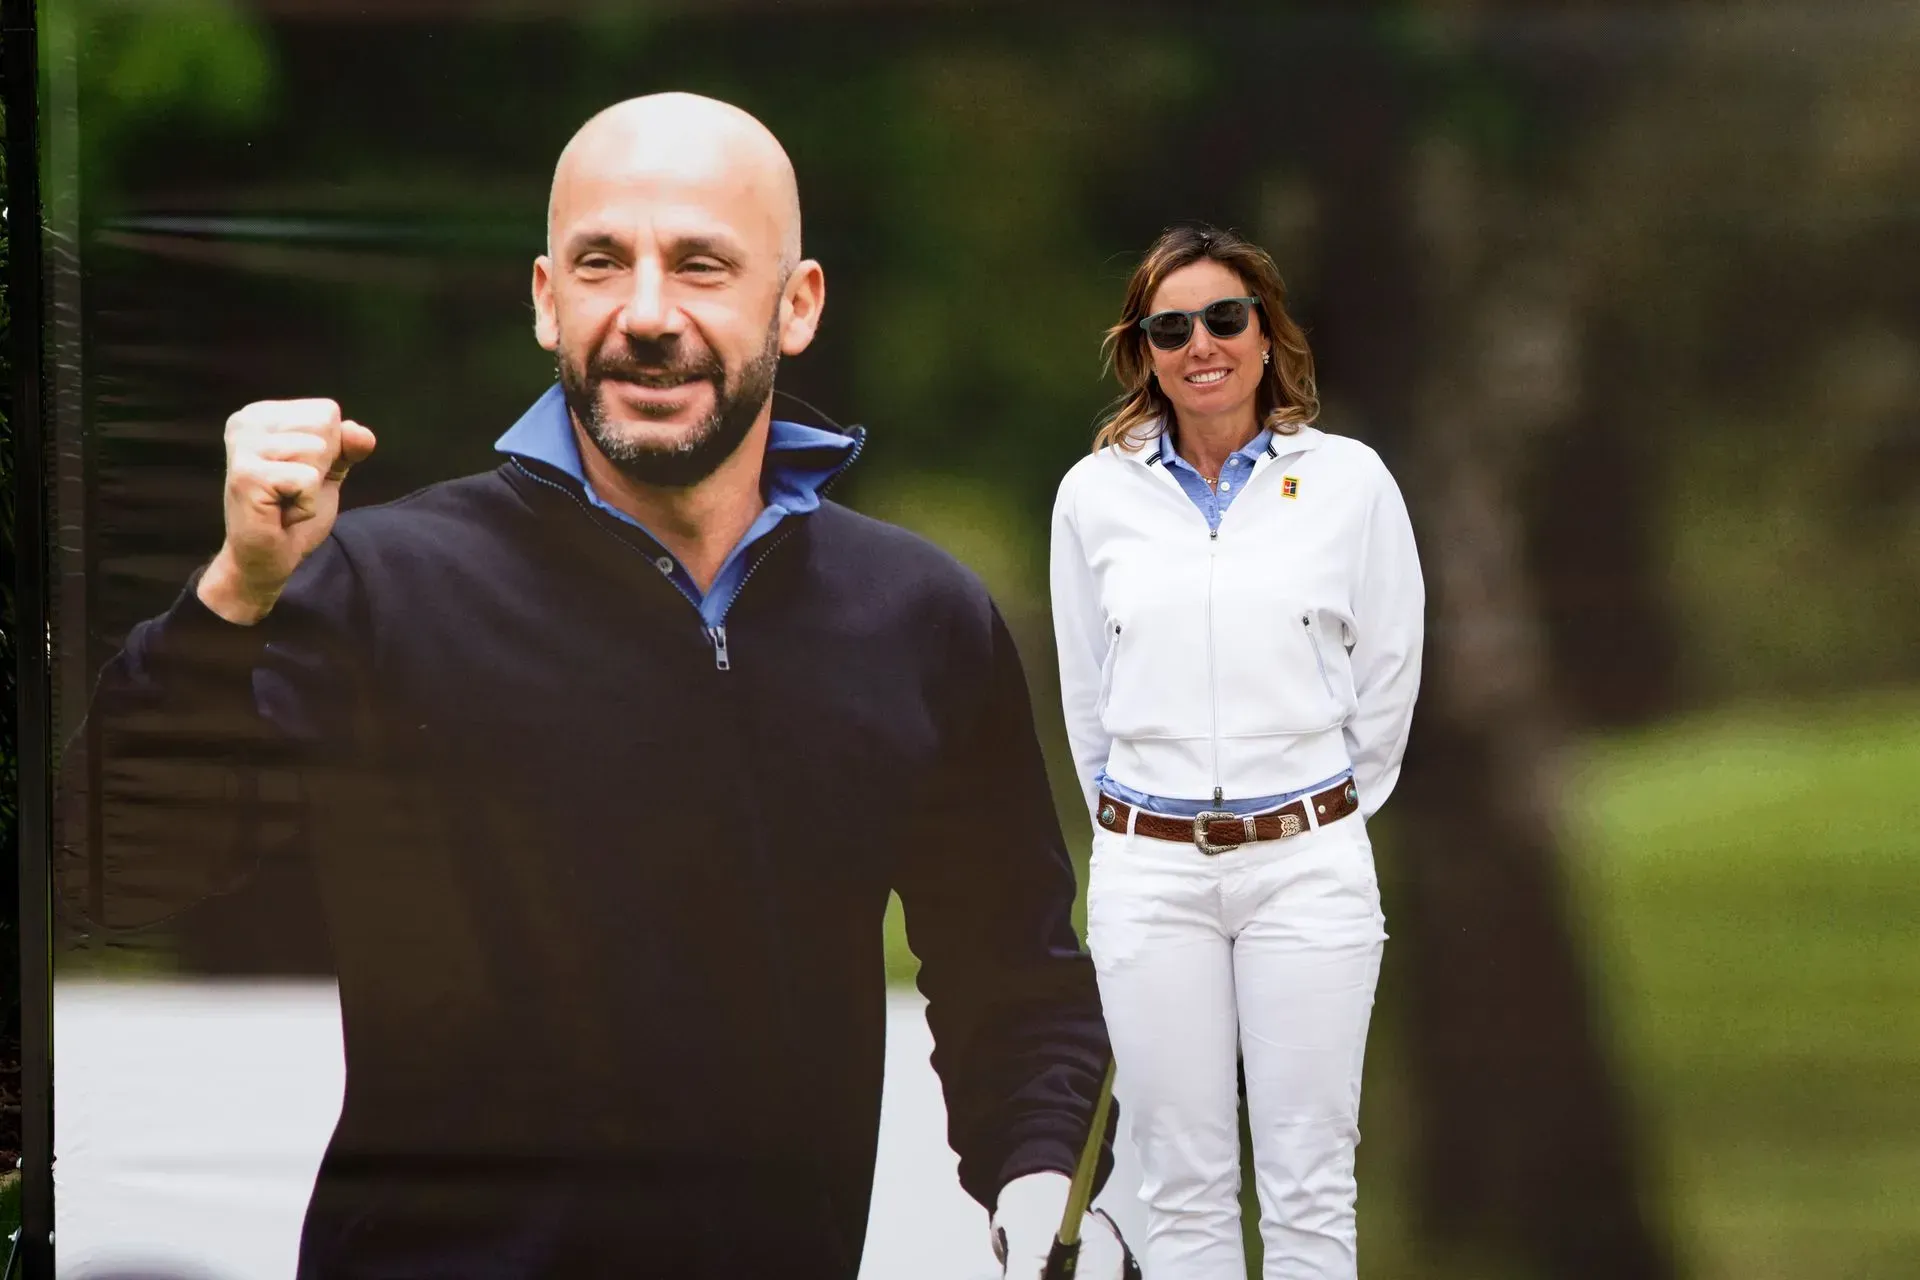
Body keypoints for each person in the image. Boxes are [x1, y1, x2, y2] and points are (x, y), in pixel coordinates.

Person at [58, 93, 1133, 1280]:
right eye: (602, 263)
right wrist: (237, 590)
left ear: (799, 303)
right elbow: (112, 865)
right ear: (543, 298)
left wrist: (1040, 1193)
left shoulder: (920, 618)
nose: (648, 314)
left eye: (703, 266)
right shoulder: (374, 585)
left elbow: (1016, 979)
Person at [1047, 223, 1425, 1279]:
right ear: (1145, 348)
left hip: (1306, 862)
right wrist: (1143, 824)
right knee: (1183, 1186)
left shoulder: (1348, 482)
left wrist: (1320, 807)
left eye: (1225, 317)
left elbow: (1389, 670)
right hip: (1150, 869)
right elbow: (1090, 691)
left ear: (1266, 333)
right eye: (1172, 327)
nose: (1200, 343)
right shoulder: (1095, 495)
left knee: (1309, 1180)